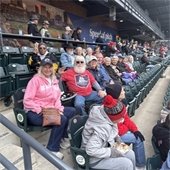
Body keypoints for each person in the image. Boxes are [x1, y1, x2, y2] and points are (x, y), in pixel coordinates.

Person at [23, 58, 76, 159]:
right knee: (61, 119)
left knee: (71, 111)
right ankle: (52, 149)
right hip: (35, 112)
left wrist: (58, 109)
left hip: (51, 109)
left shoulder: (54, 80)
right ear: (41, 68)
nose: (47, 69)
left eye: (49, 67)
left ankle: (62, 138)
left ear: (52, 68)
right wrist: (42, 110)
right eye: (45, 67)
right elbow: (27, 100)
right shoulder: (35, 80)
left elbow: (57, 99)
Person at [81, 95, 136, 170]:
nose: (123, 119)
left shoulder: (107, 115)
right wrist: (111, 152)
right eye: (121, 117)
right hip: (95, 159)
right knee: (127, 164)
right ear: (114, 118)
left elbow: (111, 130)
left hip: (107, 146)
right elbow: (90, 150)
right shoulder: (102, 128)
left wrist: (117, 138)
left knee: (130, 153)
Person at [105, 83, 146, 168]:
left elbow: (126, 119)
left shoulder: (119, 104)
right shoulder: (110, 109)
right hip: (112, 141)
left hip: (117, 137)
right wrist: (128, 130)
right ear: (117, 94)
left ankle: (137, 165)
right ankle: (140, 165)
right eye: (122, 91)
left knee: (133, 145)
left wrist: (135, 130)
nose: (124, 92)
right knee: (138, 139)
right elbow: (116, 130)